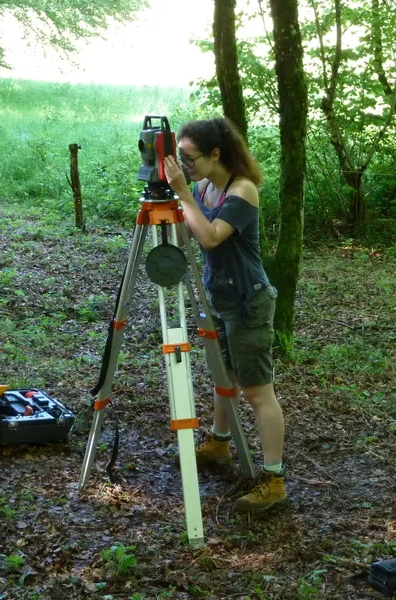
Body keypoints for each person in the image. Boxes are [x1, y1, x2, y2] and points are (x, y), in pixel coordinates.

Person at [163, 117, 288, 514]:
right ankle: (219, 443)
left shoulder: (243, 190)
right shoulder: (203, 187)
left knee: (257, 391)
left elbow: (212, 235)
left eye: (189, 157)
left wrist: (182, 196)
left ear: (215, 154)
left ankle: (274, 479)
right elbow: (192, 231)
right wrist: (181, 198)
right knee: (223, 378)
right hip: (219, 296)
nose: (184, 165)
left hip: (248, 300)